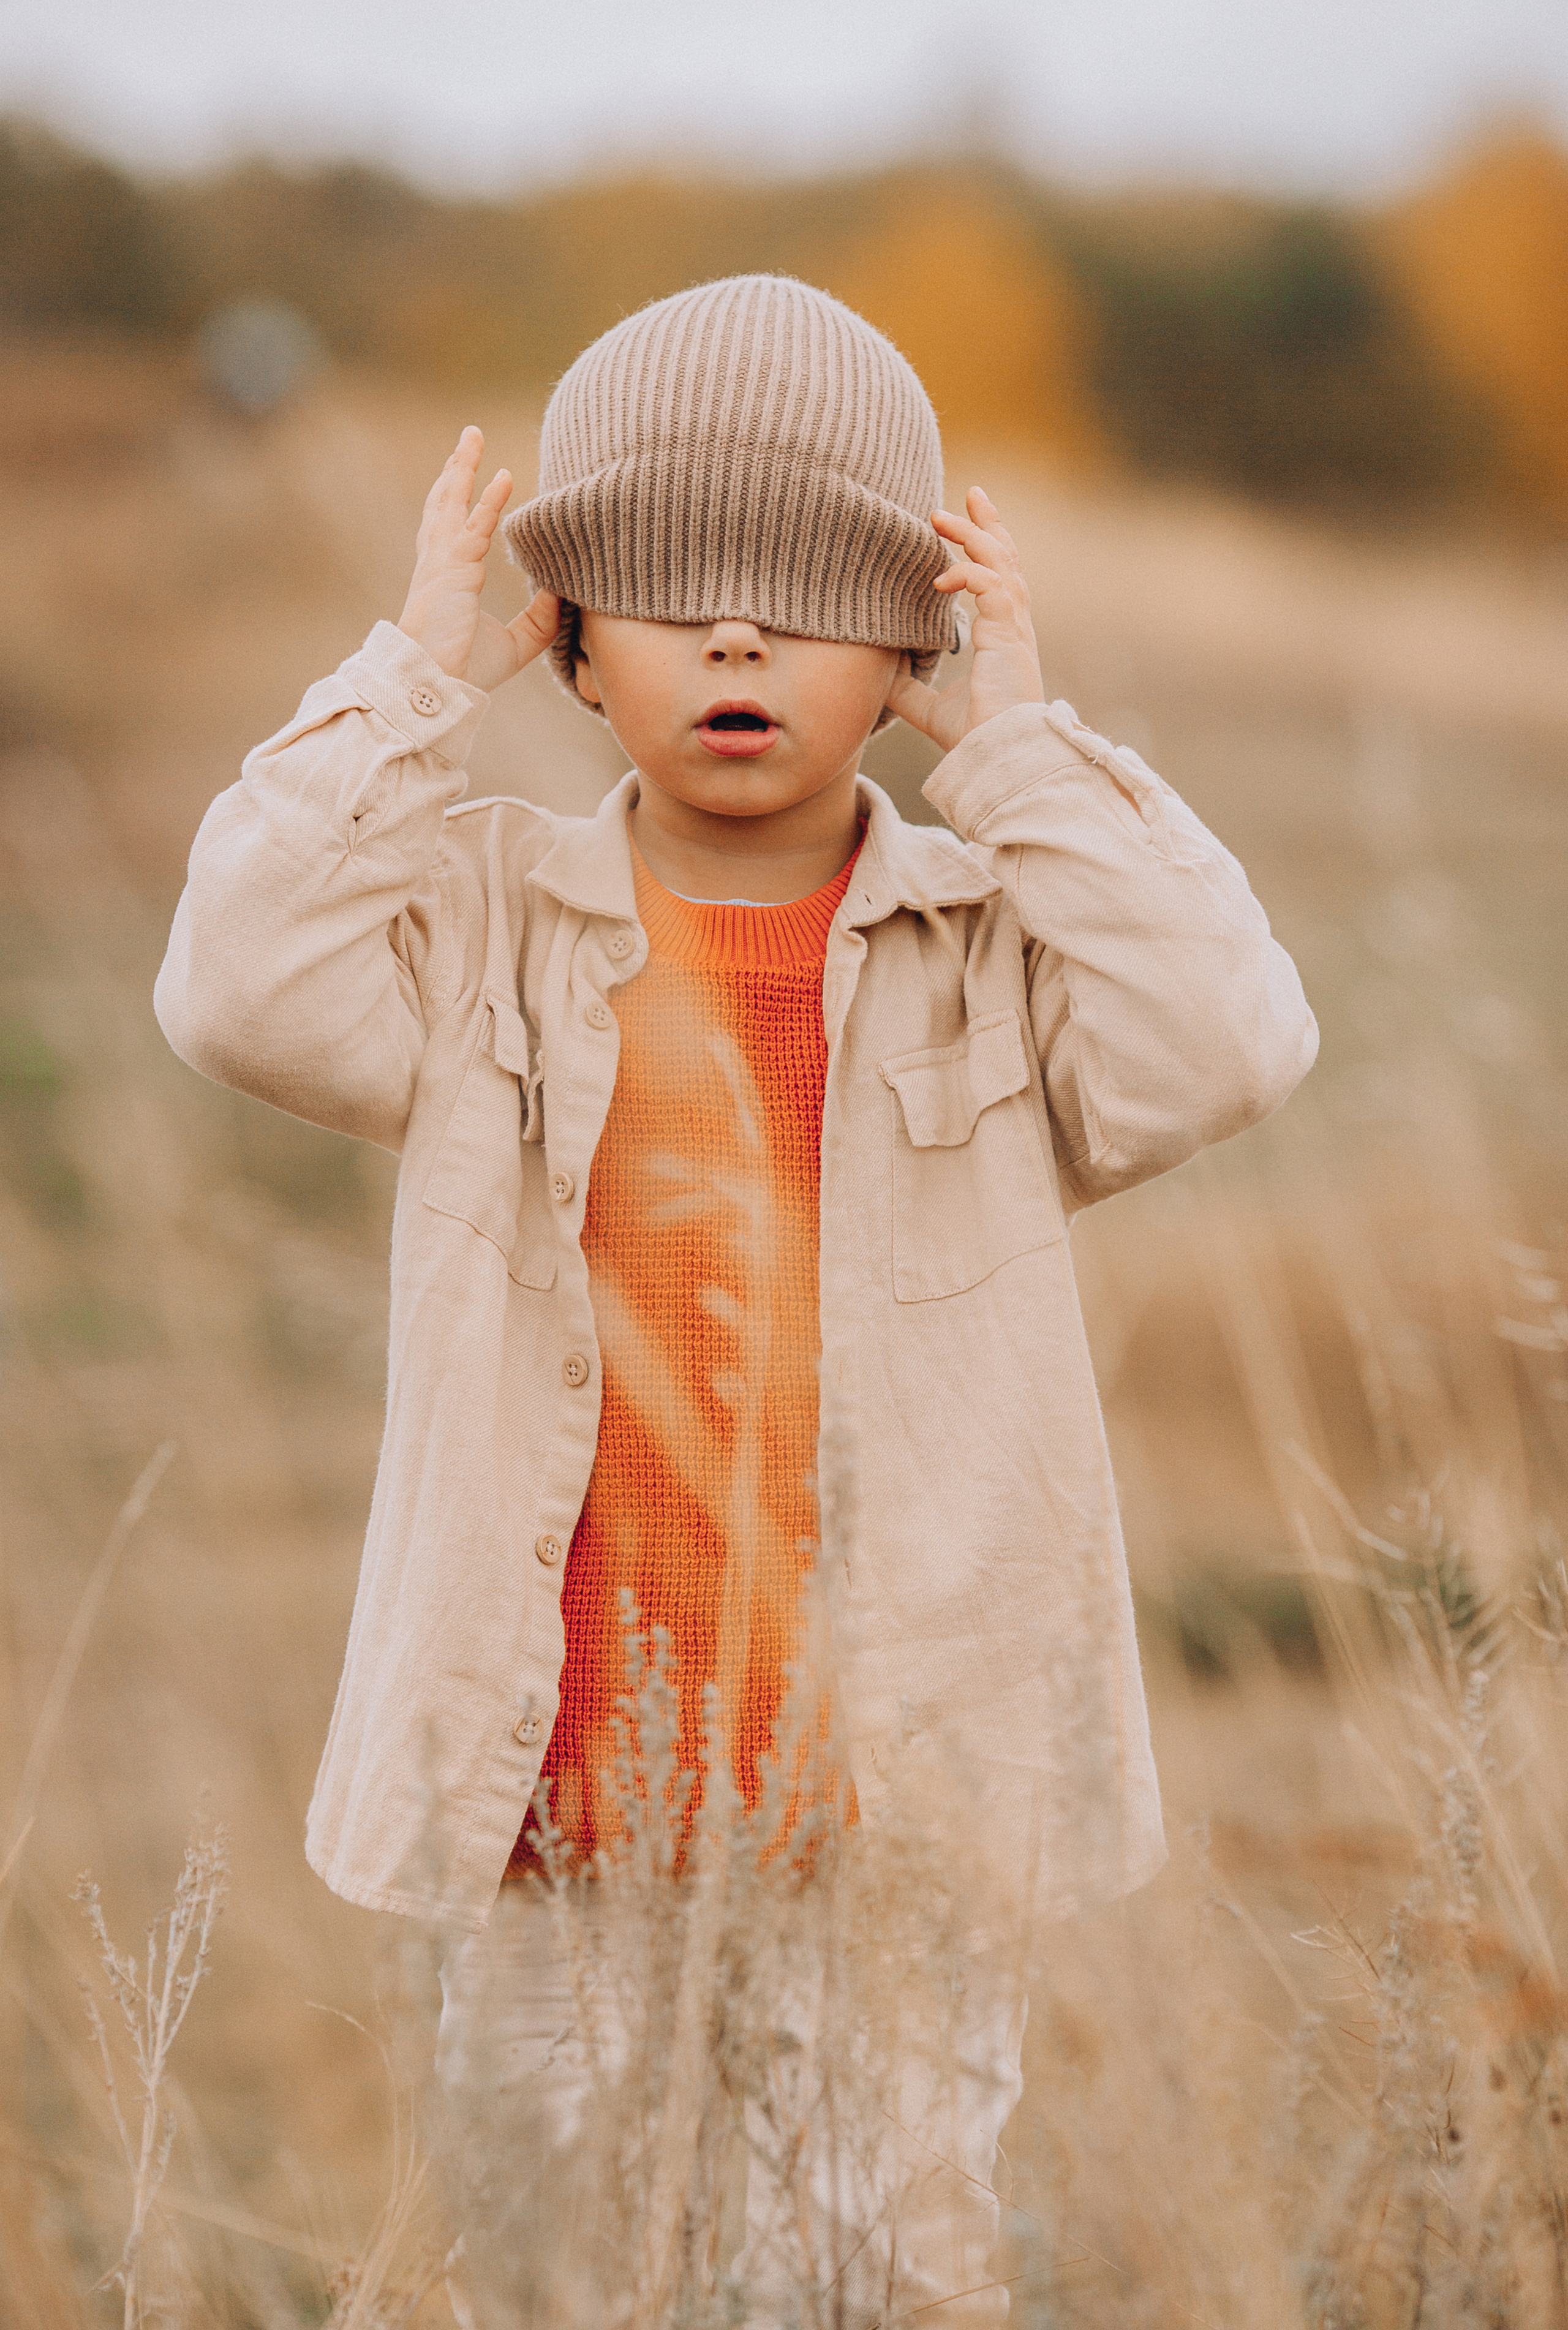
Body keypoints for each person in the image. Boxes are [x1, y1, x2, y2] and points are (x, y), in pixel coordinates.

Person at [154, 273, 1317, 2324]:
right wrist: (410, 682)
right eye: (673, 585)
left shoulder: (993, 947)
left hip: (894, 1820)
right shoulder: (484, 922)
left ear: (911, 644)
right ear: (577, 644)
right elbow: (235, 984)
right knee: (568, 2277)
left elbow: (1228, 1042)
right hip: (557, 1810)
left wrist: (1028, 754)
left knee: (869, 2273)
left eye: (806, 588)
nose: (741, 633)